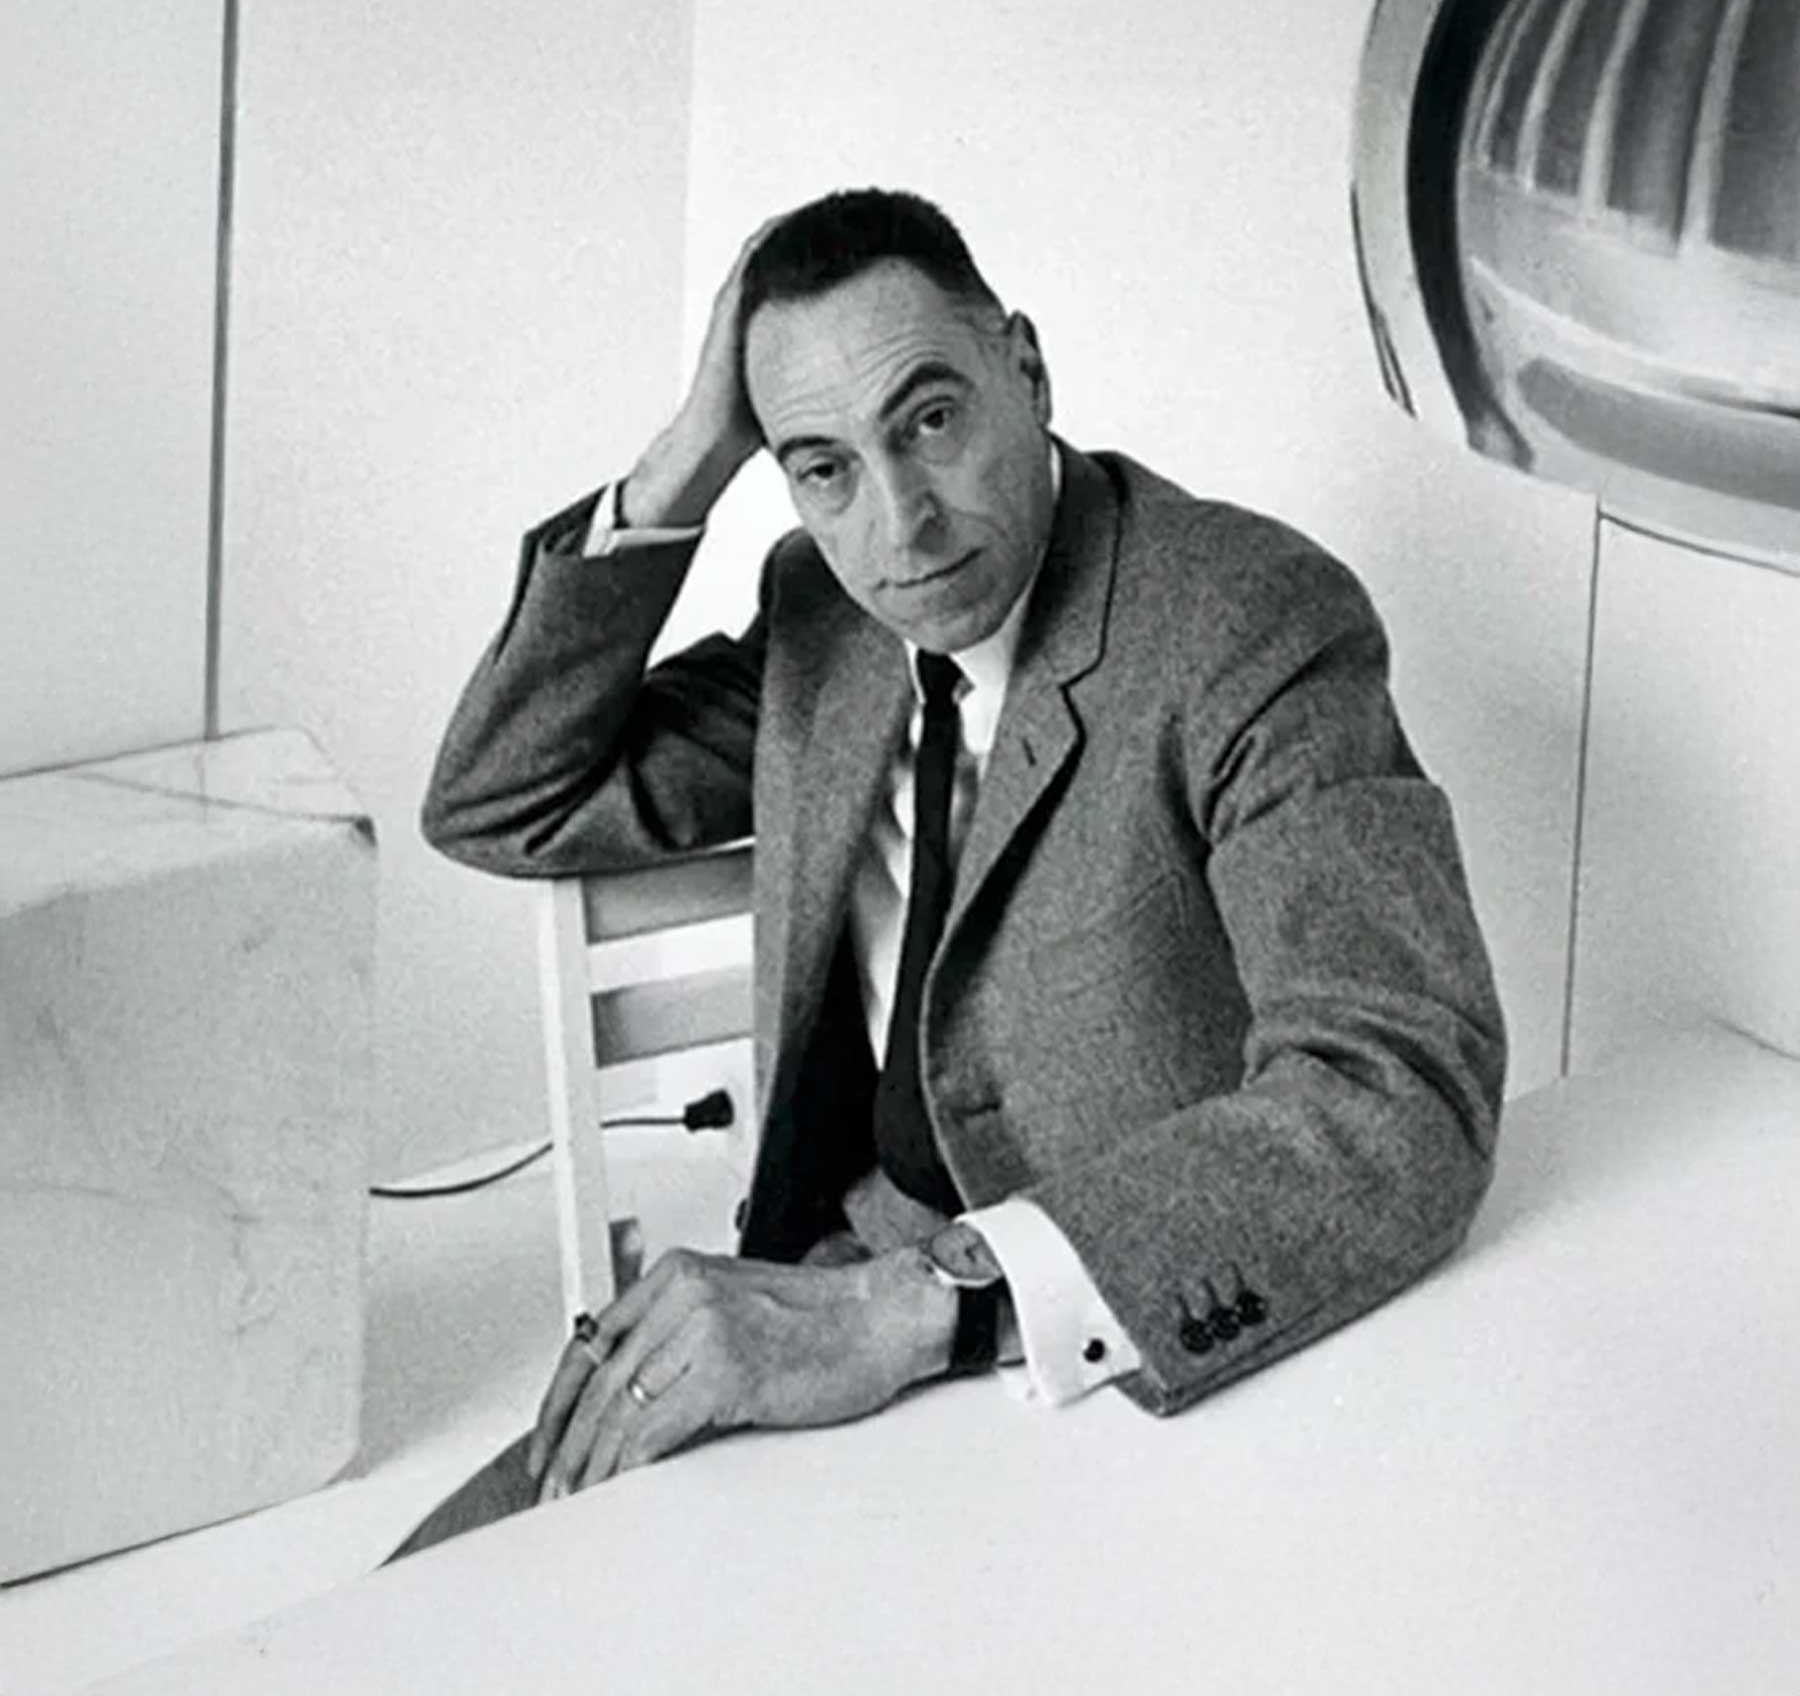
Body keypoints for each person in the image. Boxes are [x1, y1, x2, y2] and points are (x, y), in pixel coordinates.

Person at [393, 189, 1505, 1556]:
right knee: (420, 1601)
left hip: (1123, 1364)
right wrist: (689, 457)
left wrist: (924, 1304)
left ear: (1025, 369)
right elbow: (504, 797)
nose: (902, 525)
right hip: (821, 1291)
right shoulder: (830, 612)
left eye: (928, 420)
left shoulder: (1247, 623)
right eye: (824, 466)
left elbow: (1401, 1092)